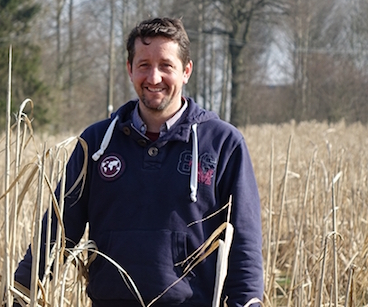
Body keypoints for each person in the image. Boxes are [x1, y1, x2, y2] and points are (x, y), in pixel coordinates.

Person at [14, 17, 264, 307]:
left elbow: (244, 245)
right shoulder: (96, 143)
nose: (154, 77)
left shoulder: (222, 143)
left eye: (166, 66)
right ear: (130, 69)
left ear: (186, 71)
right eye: (144, 65)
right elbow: (57, 233)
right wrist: (21, 294)